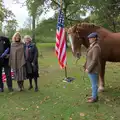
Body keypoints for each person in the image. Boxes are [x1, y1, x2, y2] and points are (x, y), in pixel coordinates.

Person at [84, 32, 101, 103]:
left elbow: (94, 60)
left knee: (94, 84)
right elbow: (89, 58)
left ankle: (94, 98)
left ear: (95, 38)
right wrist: (85, 65)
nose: (89, 39)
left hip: (94, 69)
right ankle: (94, 95)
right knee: (93, 83)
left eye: (91, 38)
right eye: (89, 38)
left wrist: (89, 68)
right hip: (91, 68)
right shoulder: (92, 46)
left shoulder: (96, 47)